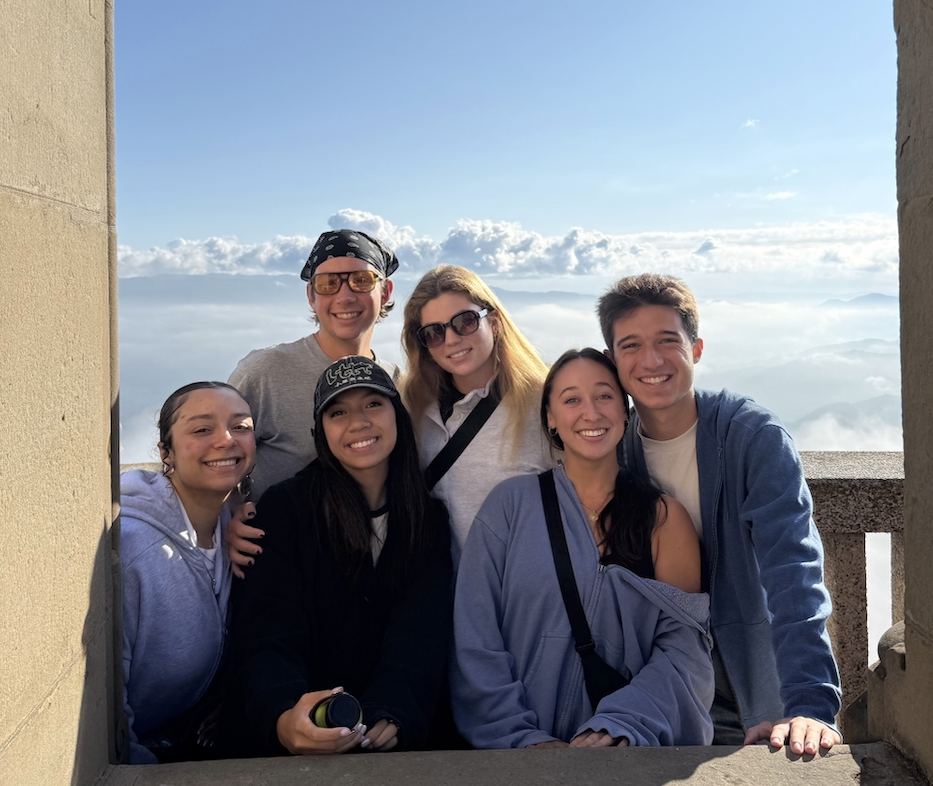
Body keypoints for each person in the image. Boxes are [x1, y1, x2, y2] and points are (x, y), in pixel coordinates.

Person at [598, 273, 842, 754]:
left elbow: (793, 569)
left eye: (668, 341)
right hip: (660, 691)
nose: (651, 361)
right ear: (612, 360)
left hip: (756, 690)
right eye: (631, 345)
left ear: (697, 347)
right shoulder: (612, 452)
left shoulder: (751, 438)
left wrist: (810, 703)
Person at [451, 349, 714, 749]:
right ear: (551, 418)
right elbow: (475, 633)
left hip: (622, 752)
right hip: (515, 758)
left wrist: (622, 725)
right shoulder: (510, 506)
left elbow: (683, 650)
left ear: (625, 411)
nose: (590, 413)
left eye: (604, 396)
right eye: (571, 399)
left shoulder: (662, 519)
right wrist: (520, 738)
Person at [219, 356, 453, 757]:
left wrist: (395, 709)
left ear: (397, 415)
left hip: (390, 741)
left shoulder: (427, 518)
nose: (358, 422)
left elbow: (421, 632)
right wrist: (284, 716)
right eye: (338, 411)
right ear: (320, 431)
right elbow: (268, 630)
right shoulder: (287, 509)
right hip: (297, 735)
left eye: (373, 405)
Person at [120, 381, 256, 764]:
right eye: (201, 429)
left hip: (182, 736)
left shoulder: (238, 528)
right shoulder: (134, 550)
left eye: (241, 426)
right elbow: (107, 705)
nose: (226, 440)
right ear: (166, 452)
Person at [228, 228, 399, 501]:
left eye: (362, 280)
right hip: (276, 540)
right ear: (311, 296)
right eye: (328, 283)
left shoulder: (396, 382)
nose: (345, 296)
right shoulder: (266, 371)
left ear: (385, 291)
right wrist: (230, 517)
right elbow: (219, 454)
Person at [401, 265, 553, 564]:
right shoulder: (410, 408)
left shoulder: (544, 404)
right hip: (441, 598)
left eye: (465, 322)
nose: (452, 339)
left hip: (518, 597)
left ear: (494, 321)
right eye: (434, 332)